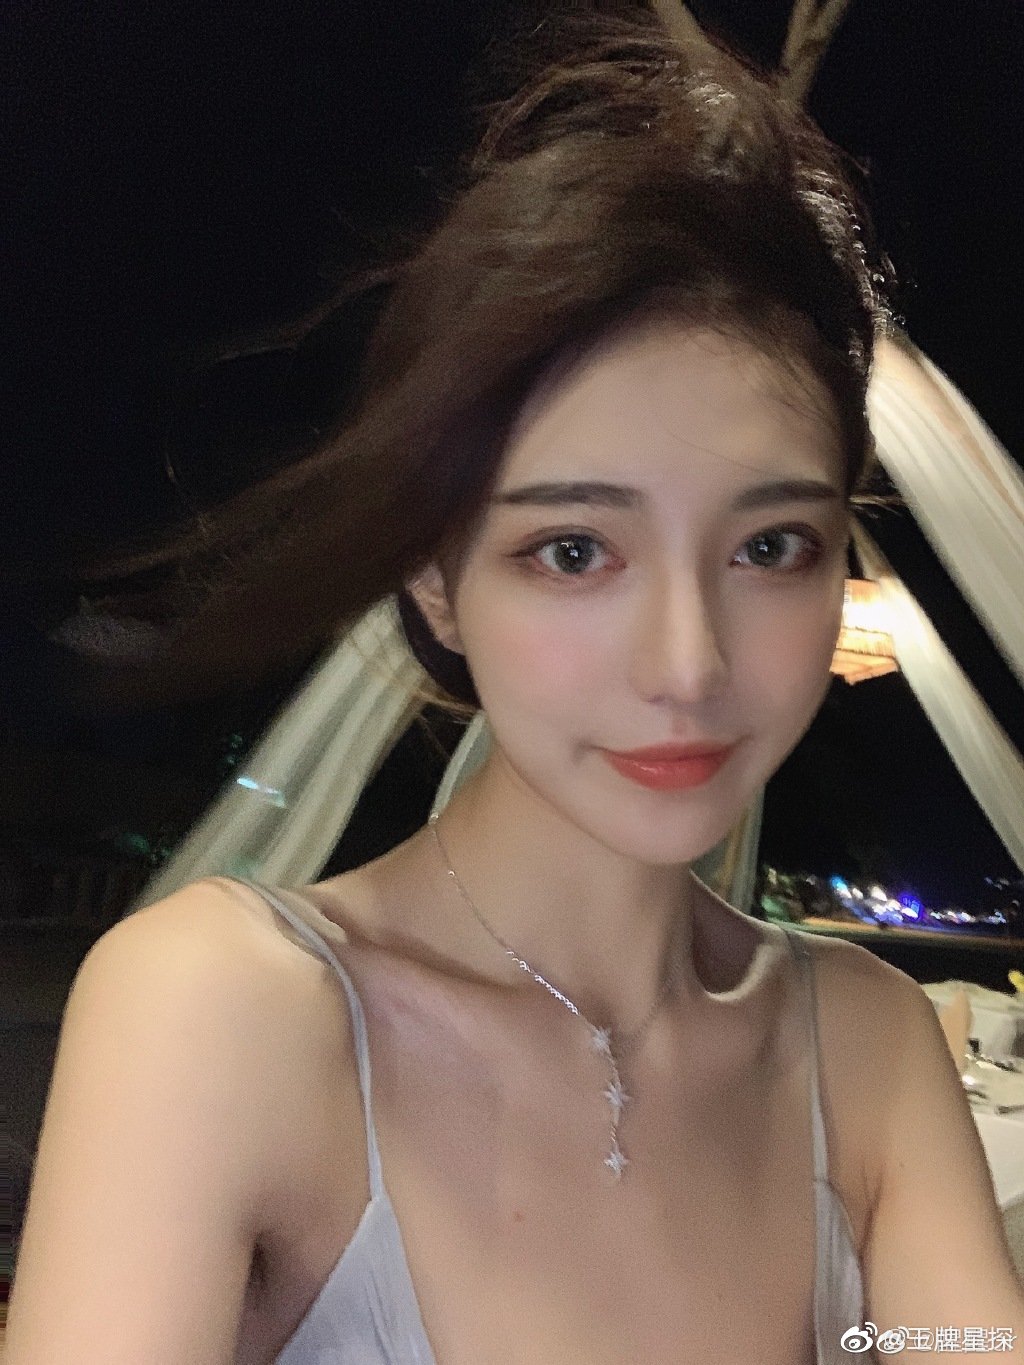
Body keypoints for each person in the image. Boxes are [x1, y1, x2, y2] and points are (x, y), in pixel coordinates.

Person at [7, 16, 1024, 1365]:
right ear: (436, 581)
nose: (688, 665)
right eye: (574, 550)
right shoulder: (227, 1012)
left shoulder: (872, 1045)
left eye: (772, 546)